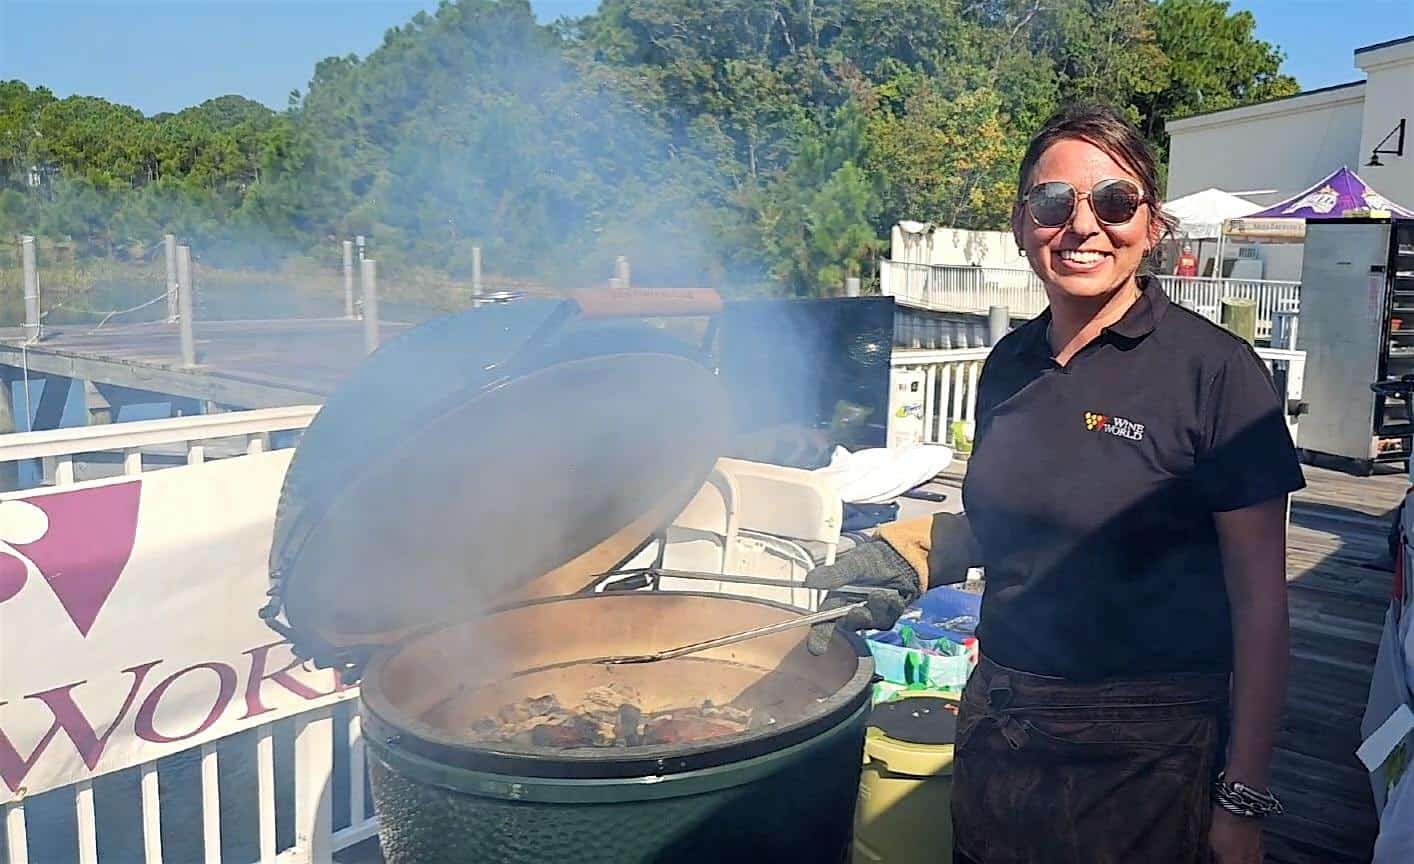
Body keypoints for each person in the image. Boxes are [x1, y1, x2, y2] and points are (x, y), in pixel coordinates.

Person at [805, 103, 1303, 864]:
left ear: (1151, 222)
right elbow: (1026, 513)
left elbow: (1262, 605)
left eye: (1113, 201)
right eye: (1052, 202)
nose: (1082, 226)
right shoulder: (1009, 363)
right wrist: (913, 550)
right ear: (1020, 221)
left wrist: (1242, 798)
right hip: (1000, 727)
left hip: (1147, 755)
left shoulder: (1217, 375)